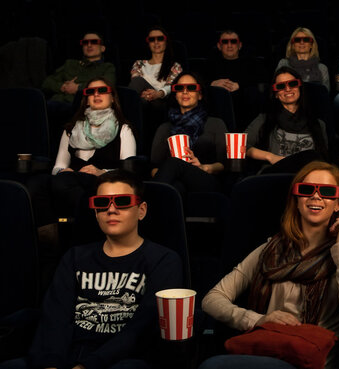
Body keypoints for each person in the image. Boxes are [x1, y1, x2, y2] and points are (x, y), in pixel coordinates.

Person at [1, 170, 183, 369]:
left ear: (141, 210)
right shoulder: (74, 257)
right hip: (67, 353)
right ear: (95, 212)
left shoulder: (164, 260)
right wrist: (51, 364)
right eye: (102, 203)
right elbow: (55, 317)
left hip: (121, 358)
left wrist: (87, 365)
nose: (111, 210)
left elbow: (142, 327)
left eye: (122, 201)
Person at [200, 160, 339, 369]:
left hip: (317, 360)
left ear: (338, 203)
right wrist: (257, 320)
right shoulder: (271, 249)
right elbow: (212, 299)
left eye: (327, 191)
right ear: (297, 199)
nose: (316, 196)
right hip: (270, 352)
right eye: (307, 189)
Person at [49, 77, 136, 225]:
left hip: (103, 182)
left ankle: (89, 223)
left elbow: (128, 172)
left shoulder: (123, 128)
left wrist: (102, 172)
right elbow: (58, 166)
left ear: (112, 98)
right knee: (36, 184)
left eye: (102, 90)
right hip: (70, 180)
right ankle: (49, 234)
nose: (96, 95)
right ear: (86, 100)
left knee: (62, 184)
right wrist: (62, 172)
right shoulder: (70, 129)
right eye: (91, 92)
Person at [150, 72, 227, 196]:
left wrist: (203, 167)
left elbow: (224, 164)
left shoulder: (215, 124)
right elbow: (154, 168)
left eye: (191, 88)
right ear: (175, 95)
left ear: (200, 95)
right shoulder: (165, 128)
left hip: (206, 179)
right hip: (174, 181)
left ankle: (148, 209)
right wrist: (170, 172)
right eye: (180, 88)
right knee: (176, 186)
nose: (185, 92)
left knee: (174, 162)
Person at [42, 32, 117, 155]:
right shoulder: (70, 64)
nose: (89, 45)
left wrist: (78, 87)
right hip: (55, 103)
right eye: (85, 42)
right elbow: (46, 83)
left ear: (103, 48)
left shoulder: (107, 67)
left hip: (78, 105)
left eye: (94, 42)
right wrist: (62, 87)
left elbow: (109, 85)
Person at [245, 66, 328, 175]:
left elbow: (323, 159)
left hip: (306, 178)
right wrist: (271, 157)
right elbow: (242, 146)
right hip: (274, 174)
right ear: (275, 94)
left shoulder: (318, 124)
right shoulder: (264, 119)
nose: (288, 89)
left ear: (299, 87)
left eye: (292, 84)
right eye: (281, 86)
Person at [128, 26, 182, 154]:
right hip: (143, 101)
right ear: (148, 43)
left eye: (160, 39)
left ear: (166, 41)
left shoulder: (175, 66)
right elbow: (137, 85)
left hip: (163, 103)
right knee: (139, 93)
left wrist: (159, 93)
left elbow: (172, 86)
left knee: (137, 84)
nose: (156, 42)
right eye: (152, 39)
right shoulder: (139, 64)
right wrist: (149, 95)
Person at [205, 29, 264, 132]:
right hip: (217, 111)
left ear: (239, 45)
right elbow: (199, 81)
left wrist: (239, 85)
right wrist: (212, 83)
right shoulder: (209, 64)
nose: (229, 45)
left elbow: (260, 80)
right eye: (225, 42)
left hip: (244, 110)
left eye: (233, 41)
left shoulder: (252, 63)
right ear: (219, 46)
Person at [275, 27, 330, 91]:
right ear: (293, 45)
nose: (302, 42)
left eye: (306, 39)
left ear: (311, 45)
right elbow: (277, 88)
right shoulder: (283, 64)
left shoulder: (322, 68)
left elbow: (325, 93)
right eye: (297, 40)